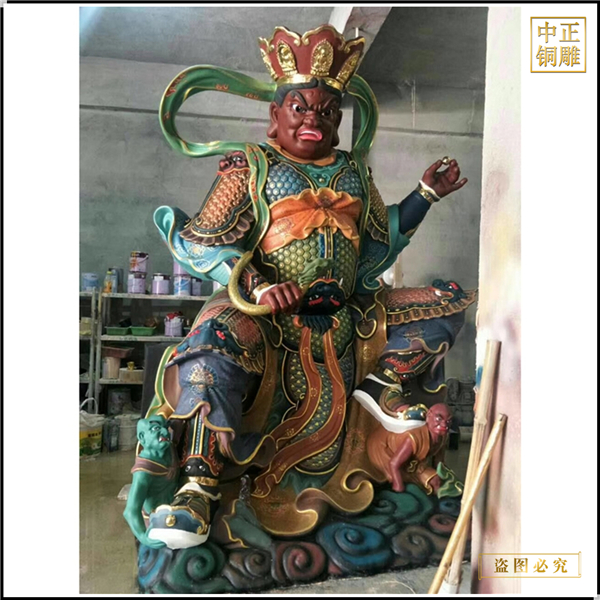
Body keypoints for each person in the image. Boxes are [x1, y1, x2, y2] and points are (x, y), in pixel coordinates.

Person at [139, 24, 476, 548]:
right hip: (265, 313)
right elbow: (201, 240)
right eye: (299, 108)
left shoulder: (353, 172)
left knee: (446, 305)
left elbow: (378, 242)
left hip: (347, 312)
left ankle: (379, 389)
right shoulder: (250, 167)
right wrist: (256, 286)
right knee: (210, 347)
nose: (313, 120)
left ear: (338, 121)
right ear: (275, 115)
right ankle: (198, 485)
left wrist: (425, 195)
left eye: (327, 111)